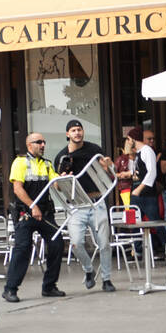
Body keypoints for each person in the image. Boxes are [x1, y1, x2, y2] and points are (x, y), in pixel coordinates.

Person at [54, 119, 117, 293]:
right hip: (76, 205)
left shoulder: (94, 150)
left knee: (104, 243)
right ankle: (89, 270)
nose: (77, 133)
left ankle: (106, 279)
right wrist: (64, 177)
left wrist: (109, 165)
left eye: (79, 129)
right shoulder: (61, 157)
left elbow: (108, 170)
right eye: (73, 130)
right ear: (67, 134)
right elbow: (57, 186)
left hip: (97, 201)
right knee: (76, 243)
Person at [2, 133, 65, 303]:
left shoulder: (47, 164)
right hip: (26, 213)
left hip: (44, 213)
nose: (43, 145)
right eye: (39, 142)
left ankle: (49, 286)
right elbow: (17, 189)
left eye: (44, 142)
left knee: (57, 243)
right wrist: (33, 206)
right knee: (23, 248)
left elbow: (56, 185)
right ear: (30, 145)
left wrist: (64, 179)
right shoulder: (20, 162)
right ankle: (10, 289)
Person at [128, 127, 166, 252]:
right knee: (132, 222)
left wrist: (139, 189)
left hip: (146, 194)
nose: (128, 142)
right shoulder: (138, 153)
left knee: (155, 223)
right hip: (136, 193)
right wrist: (130, 154)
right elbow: (133, 172)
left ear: (134, 139)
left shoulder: (147, 151)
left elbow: (152, 172)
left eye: (129, 139)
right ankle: (138, 249)